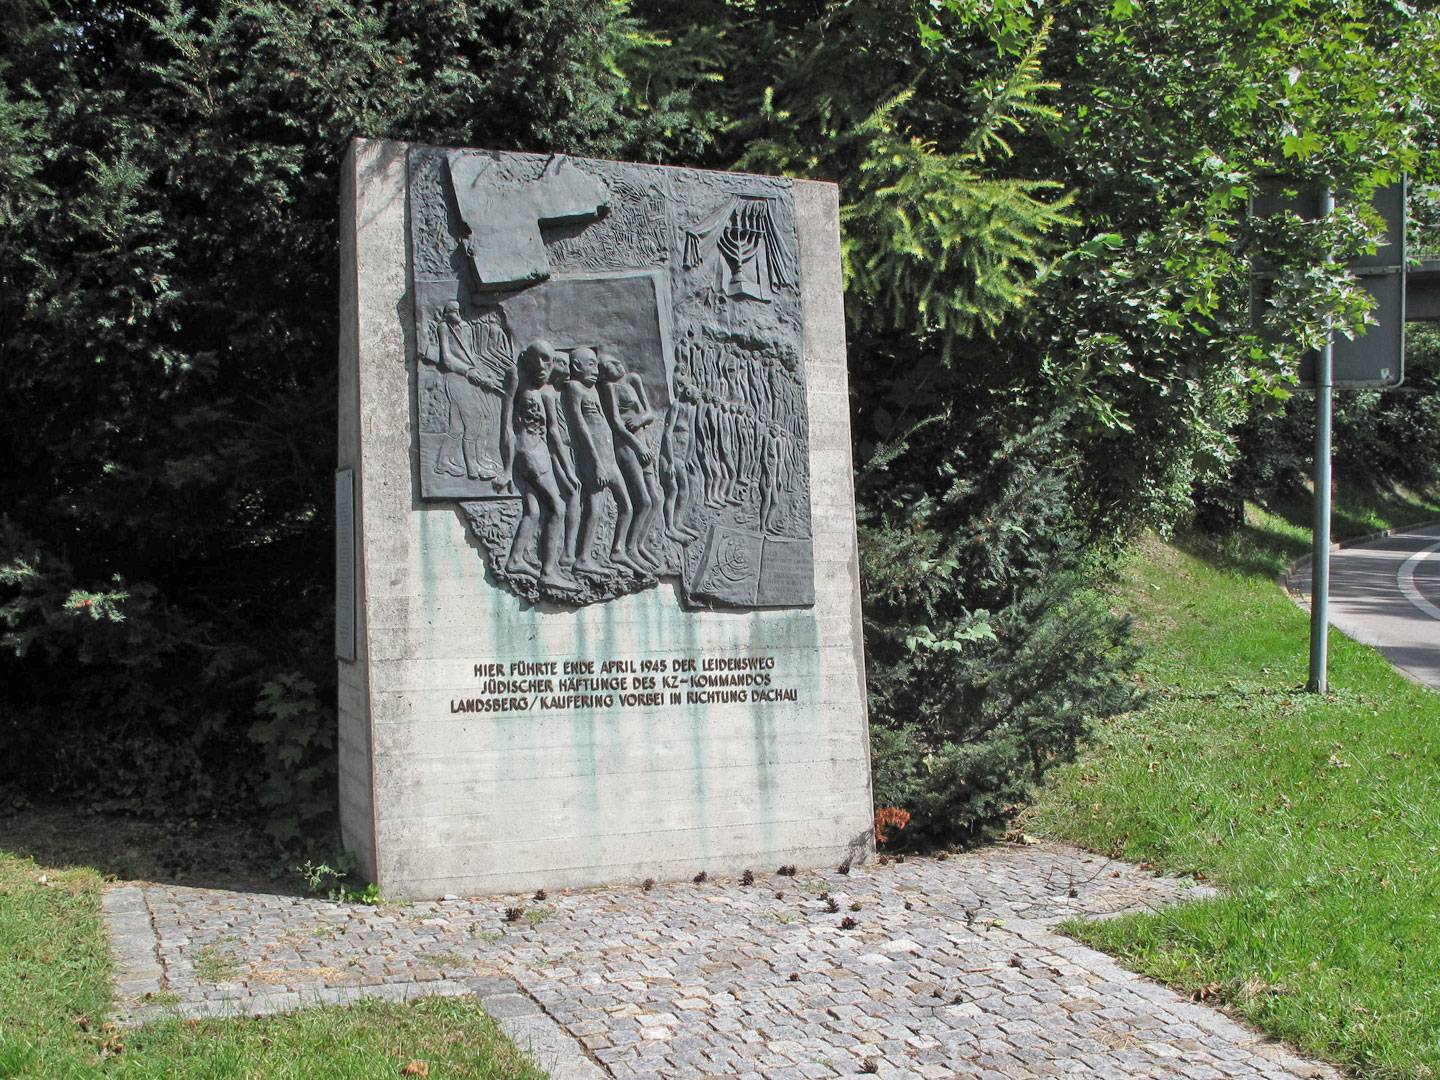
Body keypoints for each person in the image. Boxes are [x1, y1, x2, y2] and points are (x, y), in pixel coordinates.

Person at [505, 341, 577, 592]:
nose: (544, 366)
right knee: (557, 507)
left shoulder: (545, 392)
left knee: (533, 511)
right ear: (526, 358)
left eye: (550, 360)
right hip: (532, 455)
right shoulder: (516, 378)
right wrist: (506, 468)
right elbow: (507, 424)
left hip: (535, 454)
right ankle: (548, 571)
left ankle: (515, 559)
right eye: (540, 359)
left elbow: (554, 433)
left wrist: (567, 470)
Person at [563, 347, 638, 575]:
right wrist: (595, 463)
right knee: (594, 509)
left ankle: (617, 551)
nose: (596, 370)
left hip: (610, 459)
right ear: (576, 367)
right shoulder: (573, 388)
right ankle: (583, 558)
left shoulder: (593, 389)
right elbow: (580, 427)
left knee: (627, 506)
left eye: (596, 365)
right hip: (593, 460)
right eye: (591, 365)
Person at [427, 301, 515, 485]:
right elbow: (447, 360)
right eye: (452, 311)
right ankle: (473, 467)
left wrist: (484, 373)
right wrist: (468, 371)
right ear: (446, 313)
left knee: (458, 426)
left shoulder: (466, 327)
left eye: (458, 311)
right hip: (456, 379)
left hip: (470, 378)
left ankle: (444, 462)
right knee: (475, 421)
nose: (456, 315)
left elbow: (471, 354)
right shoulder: (444, 328)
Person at [598, 349, 664, 571]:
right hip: (627, 446)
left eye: (616, 363)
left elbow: (649, 413)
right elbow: (616, 424)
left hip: (642, 441)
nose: (617, 368)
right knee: (642, 500)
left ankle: (639, 545)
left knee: (656, 498)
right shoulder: (609, 388)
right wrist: (637, 445)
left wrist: (640, 420)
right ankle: (621, 549)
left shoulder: (633, 379)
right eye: (608, 368)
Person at [660, 377, 702, 543]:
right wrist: (670, 460)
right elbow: (667, 434)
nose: (698, 396)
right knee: (674, 490)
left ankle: (678, 522)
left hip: (681, 458)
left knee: (684, 489)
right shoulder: (676, 406)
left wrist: (690, 457)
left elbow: (691, 434)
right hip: (671, 457)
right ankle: (670, 528)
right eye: (696, 393)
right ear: (688, 392)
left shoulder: (691, 408)